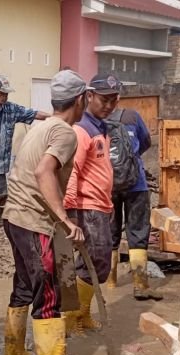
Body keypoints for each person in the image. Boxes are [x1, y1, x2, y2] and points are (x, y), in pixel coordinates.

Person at [1, 70, 90, 355]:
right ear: (81, 100)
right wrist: (65, 220)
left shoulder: (40, 126)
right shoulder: (65, 132)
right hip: (33, 219)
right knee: (49, 293)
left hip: (13, 216)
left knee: (24, 285)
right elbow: (43, 172)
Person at [63, 73, 121, 335]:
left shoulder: (101, 127)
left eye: (114, 100)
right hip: (88, 207)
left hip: (101, 206)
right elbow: (72, 171)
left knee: (97, 263)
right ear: (89, 97)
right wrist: (72, 212)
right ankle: (72, 318)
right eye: (104, 99)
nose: (109, 105)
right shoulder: (82, 129)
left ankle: (82, 314)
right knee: (93, 263)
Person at [105, 106, 162, 301]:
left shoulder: (96, 119)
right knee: (137, 232)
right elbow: (146, 141)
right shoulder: (132, 116)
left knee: (110, 231)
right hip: (136, 183)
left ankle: (110, 283)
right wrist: (132, 158)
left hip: (107, 184)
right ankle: (140, 285)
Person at [0, 75, 50, 226]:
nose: (5, 97)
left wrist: (55, 117)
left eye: (6, 94)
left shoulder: (11, 109)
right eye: (2, 93)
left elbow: (34, 113)